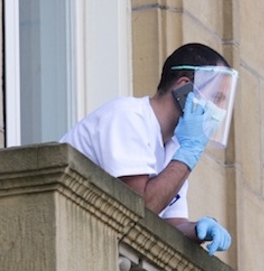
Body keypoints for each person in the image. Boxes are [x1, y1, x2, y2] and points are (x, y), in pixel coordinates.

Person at [61, 43, 238, 255]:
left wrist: (197, 230)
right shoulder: (128, 117)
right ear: (185, 88)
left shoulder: (175, 147)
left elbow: (171, 221)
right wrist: (188, 155)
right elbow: (137, 210)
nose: (219, 111)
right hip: (66, 234)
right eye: (216, 98)